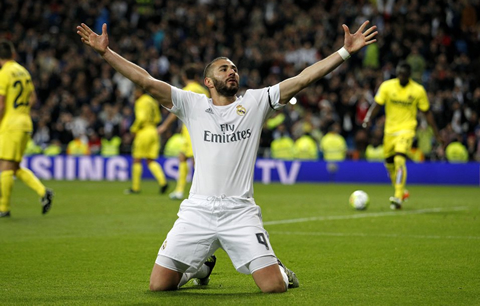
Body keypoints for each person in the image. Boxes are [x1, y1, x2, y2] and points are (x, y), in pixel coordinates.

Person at [77, 20, 377, 292]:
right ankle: (199, 268)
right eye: (224, 69)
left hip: (240, 212)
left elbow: (302, 79)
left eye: (233, 68)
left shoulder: (257, 101)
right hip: (197, 210)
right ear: (208, 82)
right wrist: (106, 53)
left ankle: (280, 271)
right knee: (159, 286)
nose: (231, 71)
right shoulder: (191, 104)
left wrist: (344, 52)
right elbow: (145, 81)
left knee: (274, 287)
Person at [362, 61, 442, 210]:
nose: (401, 77)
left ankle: (398, 197)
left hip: (407, 129)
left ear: (409, 76)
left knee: (399, 158)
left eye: (404, 75)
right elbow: (377, 104)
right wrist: (367, 118)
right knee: (390, 164)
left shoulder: (418, 90)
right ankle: (401, 191)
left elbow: (427, 113)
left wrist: (437, 134)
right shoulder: (387, 86)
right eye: (399, 74)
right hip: (389, 131)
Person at [0, 40, 53, 218]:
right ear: (13, 54)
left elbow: (1, 104)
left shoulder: (4, 73)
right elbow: (33, 99)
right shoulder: (24, 71)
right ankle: (43, 192)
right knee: (14, 166)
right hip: (25, 122)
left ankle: (4, 208)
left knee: (5, 166)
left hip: (10, 123)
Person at [157, 64, 210, 200]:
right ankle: (181, 190)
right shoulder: (204, 91)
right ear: (197, 77)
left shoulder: (186, 91)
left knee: (194, 160)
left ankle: (204, 192)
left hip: (191, 129)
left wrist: (165, 126)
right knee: (184, 156)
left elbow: (176, 111)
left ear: (184, 77)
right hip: (203, 128)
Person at [125, 86, 168, 194]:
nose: (134, 94)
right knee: (150, 160)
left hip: (144, 131)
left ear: (139, 92)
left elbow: (141, 118)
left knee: (137, 159)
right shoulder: (153, 101)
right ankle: (163, 182)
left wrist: (134, 129)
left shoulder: (141, 102)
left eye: (135, 92)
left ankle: (135, 188)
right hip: (154, 131)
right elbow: (158, 118)